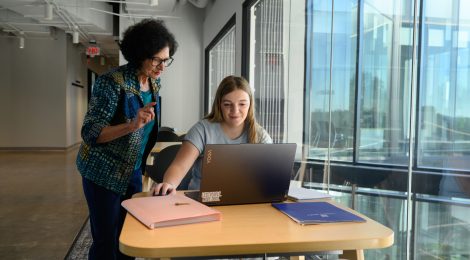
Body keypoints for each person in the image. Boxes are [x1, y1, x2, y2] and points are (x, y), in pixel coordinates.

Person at [76, 19, 178, 260]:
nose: (162, 67)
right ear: (139, 55)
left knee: (129, 235)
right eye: (156, 60)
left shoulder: (154, 81)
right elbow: (90, 132)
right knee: (106, 241)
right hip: (102, 173)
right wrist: (132, 125)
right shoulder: (111, 83)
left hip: (132, 171)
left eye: (166, 60)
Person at [153, 75, 272, 196]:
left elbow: (271, 174)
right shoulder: (202, 130)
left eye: (242, 104)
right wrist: (169, 184)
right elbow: (179, 166)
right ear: (219, 105)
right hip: (205, 201)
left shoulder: (260, 134)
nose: (235, 111)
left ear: (250, 105)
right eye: (227, 104)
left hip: (245, 200)